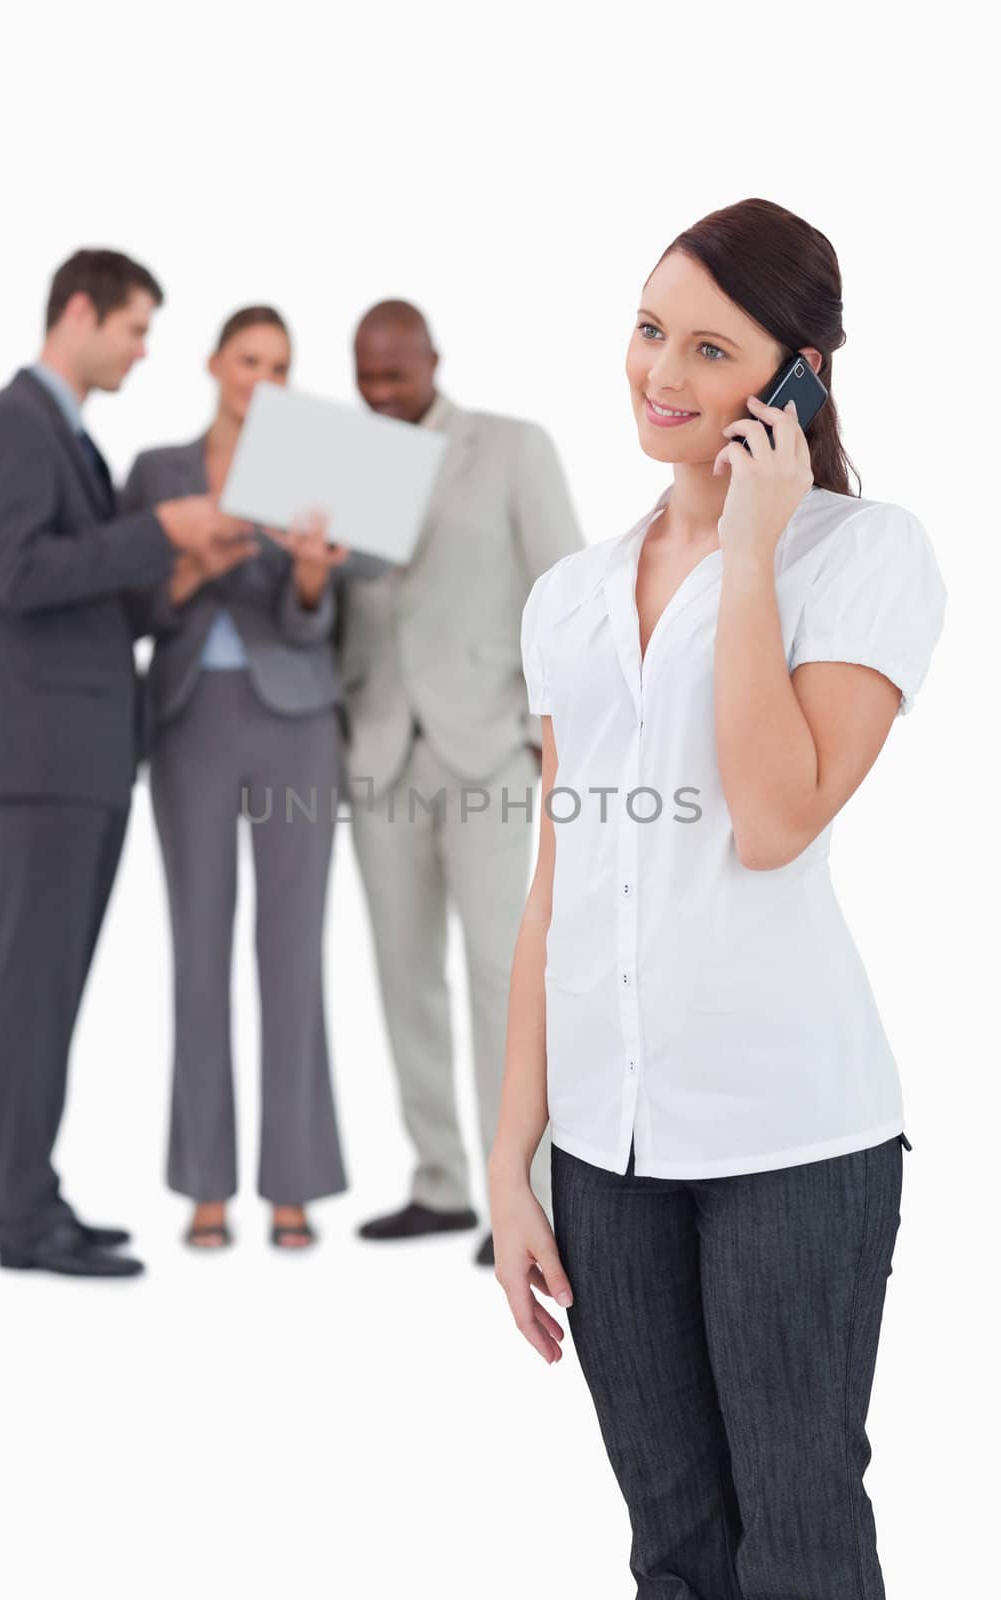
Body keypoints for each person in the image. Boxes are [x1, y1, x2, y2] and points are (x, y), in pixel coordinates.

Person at [489, 197, 947, 1598]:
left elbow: (772, 818)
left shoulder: (861, 560)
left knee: (796, 1525)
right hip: (605, 1151)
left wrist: (749, 546)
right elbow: (552, 883)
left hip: (788, 1142)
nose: (658, 376)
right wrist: (509, 1162)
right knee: (672, 1541)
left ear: (795, 376)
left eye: (705, 348)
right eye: (644, 332)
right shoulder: (566, 597)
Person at [0, 248, 254, 1278]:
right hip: (46, 754)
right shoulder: (10, 425)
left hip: (81, 750)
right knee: (34, 987)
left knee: (47, 987)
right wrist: (155, 528)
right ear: (78, 311)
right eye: (132, 329)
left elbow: (94, 602)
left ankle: (16, 1198)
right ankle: (20, 1211)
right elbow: (21, 570)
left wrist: (181, 567)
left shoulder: (67, 439)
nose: (140, 350)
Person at [122, 305, 385, 1251]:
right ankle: (203, 1183)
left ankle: (293, 1182)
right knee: (197, 948)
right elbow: (134, 604)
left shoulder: (312, 467)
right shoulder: (158, 470)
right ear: (214, 363)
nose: (260, 379)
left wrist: (310, 575)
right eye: (247, 360)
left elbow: (313, 623)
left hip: (296, 723)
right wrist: (189, 568)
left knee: (292, 951)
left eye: (278, 365)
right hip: (191, 715)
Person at [342, 300, 583, 1266]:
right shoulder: (341, 457)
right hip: (375, 748)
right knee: (403, 976)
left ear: (431, 361)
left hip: (486, 745)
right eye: (364, 375)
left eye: (394, 374)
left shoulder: (510, 447)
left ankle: (518, 1194)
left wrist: (541, 737)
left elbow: (565, 591)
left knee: (500, 973)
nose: (378, 391)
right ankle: (439, 1182)